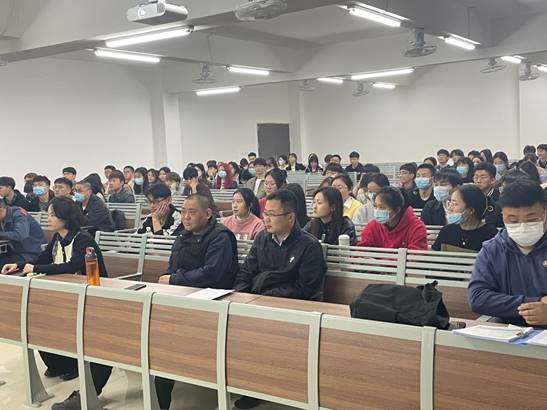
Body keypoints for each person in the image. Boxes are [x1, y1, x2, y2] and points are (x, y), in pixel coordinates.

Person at [2, 197, 112, 410]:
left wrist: (35, 269)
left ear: (65, 217)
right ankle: (62, 365)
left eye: (52, 215)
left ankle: (79, 379)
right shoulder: (57, 238)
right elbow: (42, 259)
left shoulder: (83, 240)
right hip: (66, 297)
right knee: (38, 322)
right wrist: (19, 265)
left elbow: (71, 266)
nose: (48, 219)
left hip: (91, 299)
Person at [155, 194, 239, 408]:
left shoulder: (221, 237)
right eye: (183, 212)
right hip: (181, 301)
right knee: (160, 343)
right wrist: (169, 280)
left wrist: (174, 279)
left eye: (192, 212)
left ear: (208, 213)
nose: (186, 217)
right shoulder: (183, 236)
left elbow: (212, 274)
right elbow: (171, 269)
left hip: (212, 305)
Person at [468, 180, 547, 326]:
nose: (522, 226)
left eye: (531, 219)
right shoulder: (493, 249)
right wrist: (534, 304)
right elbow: (478, 298)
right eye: (513, 220)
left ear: (545, 212)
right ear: (502, 215)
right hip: (508, 329)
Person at [432, 185, 498, 252]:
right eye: (450, 203)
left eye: (455, 204)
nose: (450, 208)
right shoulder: (446, 231)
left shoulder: (491, 235)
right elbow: (434, 255)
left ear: (471, 210)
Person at [357, 187, 428, 250]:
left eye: (382, 207)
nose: (377, 211)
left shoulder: (417, 227)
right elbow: (361, 251)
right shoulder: (373, 226)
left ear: (397, 210)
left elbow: (416, 256)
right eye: (375, 206)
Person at [0, 201, 44, 267]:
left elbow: (20, 235)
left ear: (1, 210)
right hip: (15, 251)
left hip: (29, 253)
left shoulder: (19, 215)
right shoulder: (2, 217)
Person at [473, 162, 503, 227]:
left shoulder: (499, 198)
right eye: (476, 177)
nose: (478, 181)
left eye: (483, 177)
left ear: (492, 180)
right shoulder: (470, 196)